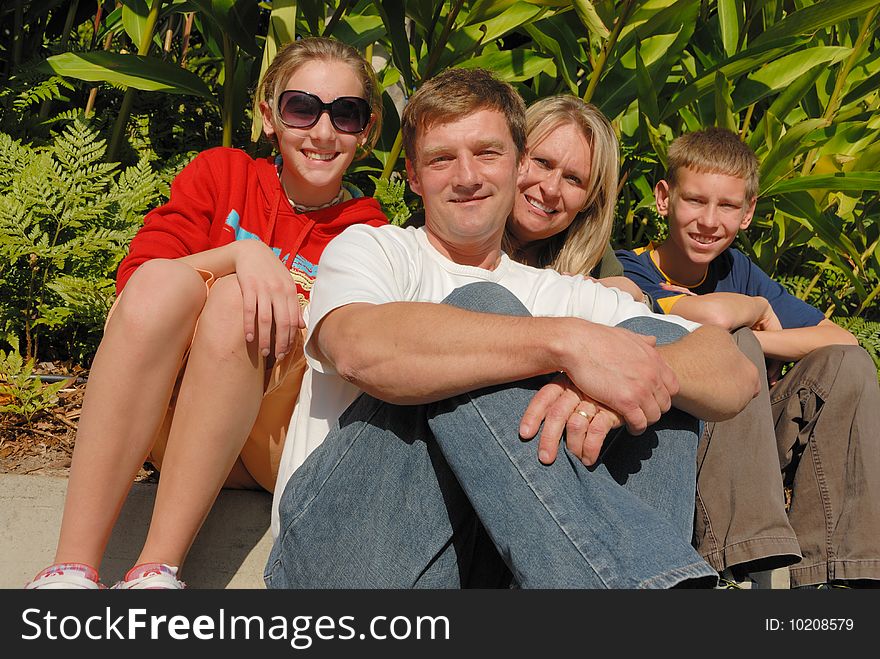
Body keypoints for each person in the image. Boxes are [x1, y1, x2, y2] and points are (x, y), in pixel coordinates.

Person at [265, 68, 759, 589]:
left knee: (656, 373)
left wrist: (608, 394)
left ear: (517, 163)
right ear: (412, 175)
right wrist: (564, 345)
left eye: (487, 154)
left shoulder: (560, 291)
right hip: (338, 555)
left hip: (480, 571)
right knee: (484, 306)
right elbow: (359, 350)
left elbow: (734, 373)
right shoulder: (374, 250)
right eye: (441, 159)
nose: (467, 177)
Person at [25, 37, 387, 589]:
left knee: (233, 302)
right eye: (301, 108)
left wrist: (251, 285)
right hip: (173, 423)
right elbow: (137, 290)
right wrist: (243, 253)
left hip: (273, 443)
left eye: (346, 114)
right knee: (172, 287)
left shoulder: (368, 232)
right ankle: (70, 571)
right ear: (269, 115)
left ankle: (155, 571)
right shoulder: (222, 174)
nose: (321, 131)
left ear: (367, 131)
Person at [616, 126, 880, 587]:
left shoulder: (738, 269)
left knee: (848, 367)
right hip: (676, 444)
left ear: (747, 213)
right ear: (663, 197)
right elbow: (714, 316)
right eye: (695, 200)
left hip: (751, 443)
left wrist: (763, 339)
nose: (709, 221)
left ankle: (838, 572)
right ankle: (736, 564)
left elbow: (842, 340)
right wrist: (754, 317)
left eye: (727, 206)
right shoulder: (631, 266)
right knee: (732, 343)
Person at [504, 94, 643, 301]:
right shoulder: (457, 227)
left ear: (591, 199)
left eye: (573, 179)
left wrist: (635, 297)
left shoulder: (595, 259)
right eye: (542, 162)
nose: (551, 189)